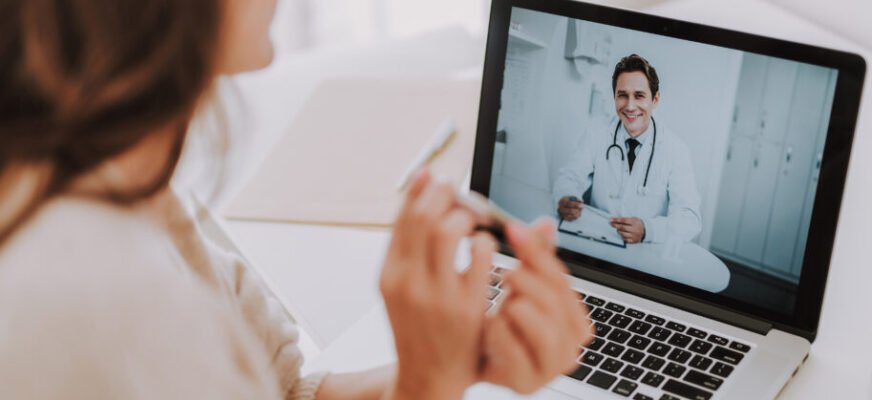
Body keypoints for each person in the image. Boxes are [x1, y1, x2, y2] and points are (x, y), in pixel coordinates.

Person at [0, 1, 591, 399]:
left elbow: (288, 389)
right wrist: (429, 383)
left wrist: (458, 359)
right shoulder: (102, 299)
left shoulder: (119, 180)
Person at [553, 54, 702, 245]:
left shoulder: (676, 149)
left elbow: (690, 219)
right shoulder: (597, 131)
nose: (630, 106)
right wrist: (567, 198)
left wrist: (648, 229)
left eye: (639, 96)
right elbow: (569, 177)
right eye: (622, 95)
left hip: (645, 254)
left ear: (655, 99)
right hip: (597, 240)